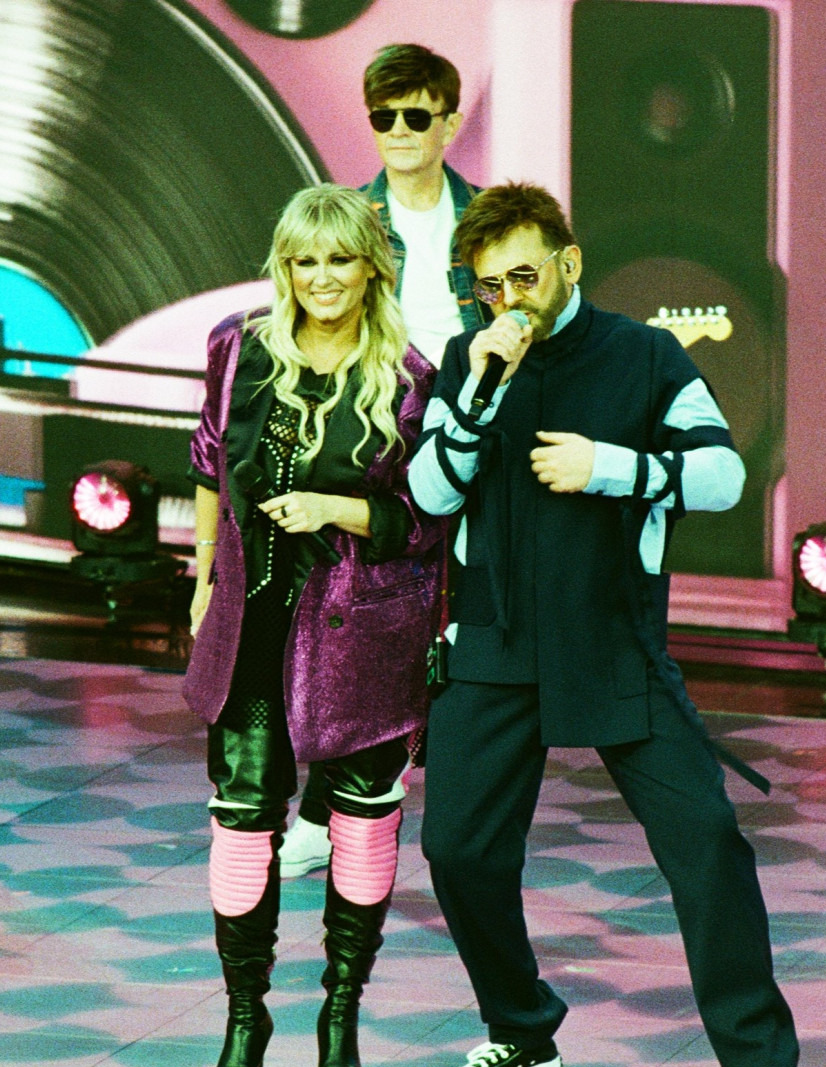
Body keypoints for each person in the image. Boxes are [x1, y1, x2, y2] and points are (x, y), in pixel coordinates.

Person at [408, 183, 826, 1067]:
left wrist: (616, 466)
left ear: (569, 263)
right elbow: (429, 494)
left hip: (613, 643)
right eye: (488, 286)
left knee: (706, 842)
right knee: (458, 851)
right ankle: (520, 1037)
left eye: (525, 276)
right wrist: (476, 393)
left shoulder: (644, 355)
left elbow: (723, 475)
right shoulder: (465, 361)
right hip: (493, 643)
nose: (509, 299)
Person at [184, 183, 445, 1067]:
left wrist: (338, 507)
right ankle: (243, 1019)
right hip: (252, 622)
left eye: (339, 260)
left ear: (371, 268)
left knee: (363, 818)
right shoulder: (238, 347)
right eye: (304, 261)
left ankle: (341, 1011)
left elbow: (426, 523)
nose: (321, 277)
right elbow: (208, 460)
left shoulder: (409, 378)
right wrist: (203, 579)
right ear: (283, 267)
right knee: (242, 817)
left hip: (362, 628)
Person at [280, 42, 486, 879]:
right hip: (379, 432)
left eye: (415, 115)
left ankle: (429, 804)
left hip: (471, 430)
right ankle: (324, 811)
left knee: (464, 628)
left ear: (448, 121)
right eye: (382, 116)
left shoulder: (487, 221)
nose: (398, 131)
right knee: (358, 629)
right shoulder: (349, 221)